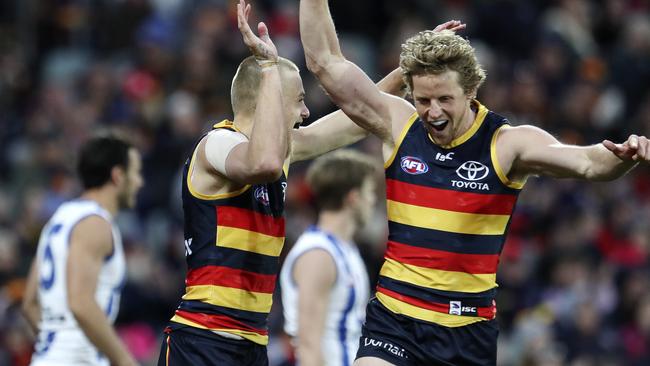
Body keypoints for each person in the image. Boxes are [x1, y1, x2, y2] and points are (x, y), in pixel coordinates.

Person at [298, 1, 650, 365]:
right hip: (395, 321)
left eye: (444, 99)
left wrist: (625, 156)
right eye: (423, 100)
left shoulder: (506, 144)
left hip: (465, 334)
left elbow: (589, 163)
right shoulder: (399, 124)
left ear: (470, 91)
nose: (433, 112)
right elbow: (325, 61)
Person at [157, 1, 419, 364]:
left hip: (250, 342)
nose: (305, 111)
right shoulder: (218, 144)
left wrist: (410, 72)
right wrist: (268, 66)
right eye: (297, 100)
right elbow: (261, 162)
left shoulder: (279, 152)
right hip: (203, 338)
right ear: (270, 100)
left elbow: (356, 120)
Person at [22, 135, 143, 366]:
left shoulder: (58, 220)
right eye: (135, 173)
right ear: (118, 176)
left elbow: (30, 303)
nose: (139, 182)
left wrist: (57, 350)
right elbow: (80, 302)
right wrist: (123, 359)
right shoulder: (94, 224)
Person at [280, 150, 379, 366]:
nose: (372, 201)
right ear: (353, 197)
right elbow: (309, 346)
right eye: (369, 193)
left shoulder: (346, 249)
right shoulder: (318, 255)